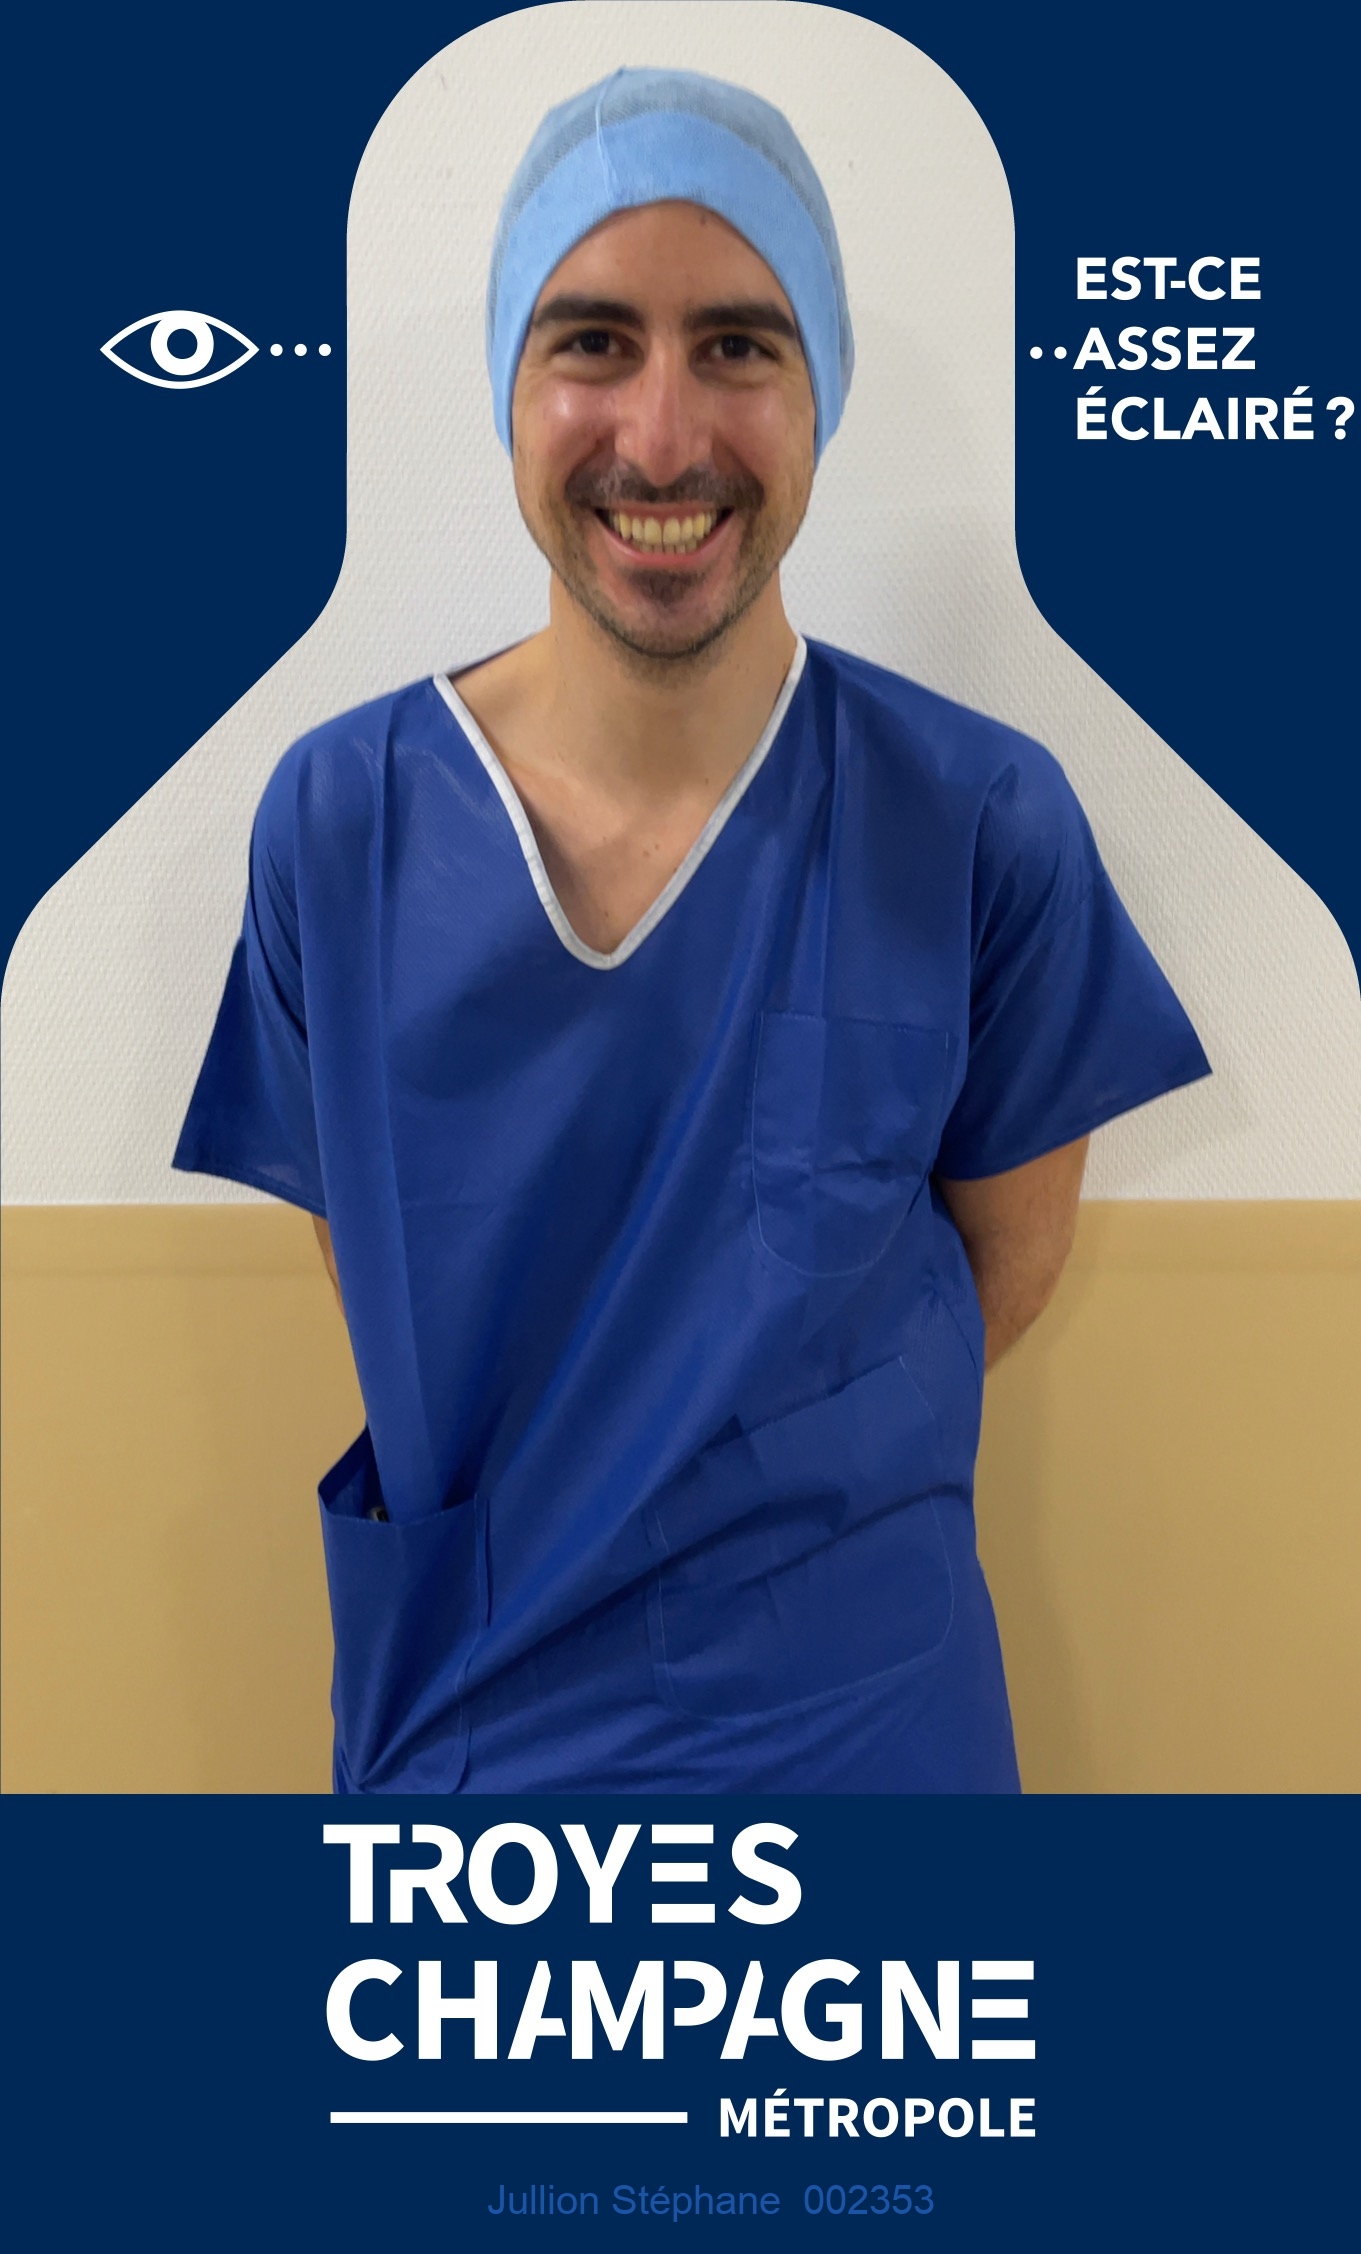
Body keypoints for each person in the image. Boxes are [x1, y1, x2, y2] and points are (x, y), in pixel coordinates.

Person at [174, 68, 1210, 1795]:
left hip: (864, 1732)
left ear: (820, 391)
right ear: (509, 383)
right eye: (590, 341)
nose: (660, 438)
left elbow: (998, 1273)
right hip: (475, 1737)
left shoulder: (976, 823)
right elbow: (385, 1279)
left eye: (737, 344)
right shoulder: (342, 828)